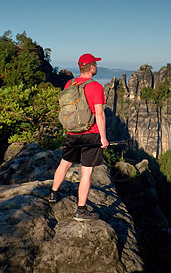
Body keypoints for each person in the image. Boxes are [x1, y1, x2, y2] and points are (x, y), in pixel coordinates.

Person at [49, 53, 109, 221]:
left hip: (72, 132)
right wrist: (103, 138)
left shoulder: (70, 83)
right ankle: (81, 211)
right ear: (91, 67)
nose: (96, 66)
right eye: (95, 64)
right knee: (86, 172)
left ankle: (53, 194)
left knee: (64, 164)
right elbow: (99, 114)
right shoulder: (96, 86)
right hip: (91, 134)